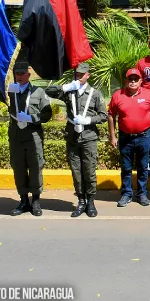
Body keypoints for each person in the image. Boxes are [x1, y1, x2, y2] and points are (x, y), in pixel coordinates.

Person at [0, 61, 53, 216]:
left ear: (29, 75)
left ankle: (35, 201)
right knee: (19, 168)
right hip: (16, 137)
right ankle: (23, 201)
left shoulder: (38, 92)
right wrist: (4, 87)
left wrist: (31, 118)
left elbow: (47, 114)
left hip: (33, 136)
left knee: (35, 167)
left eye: (22, 74)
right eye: (17, 74)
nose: (19, 76)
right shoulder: (11, 92)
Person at [45, 63, 107, 218]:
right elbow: (49, 91)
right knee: (76, 171)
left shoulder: (95, 93)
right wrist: (65, 87)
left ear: (88, 75)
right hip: (72, 137)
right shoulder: (69, 92)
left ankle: (90, 202)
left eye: (82, 74)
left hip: (89, 137)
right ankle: (81, 201)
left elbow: (103, 116)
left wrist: (88, 120)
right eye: (77, 74)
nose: (79, 77)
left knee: (89, 171)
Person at [108, 68, 150, 207]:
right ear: (126, 81)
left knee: (143, 166)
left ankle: (142, 194)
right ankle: (126, 194)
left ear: (141, 81)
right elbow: (111, 115)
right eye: (130, 79)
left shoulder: (149, 94)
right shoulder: (118, 95)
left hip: (144, 136)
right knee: (126, 167)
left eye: (136, 79)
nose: (133, 82)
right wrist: (112, 136)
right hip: (125, 137)